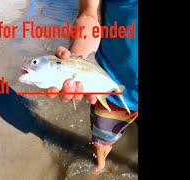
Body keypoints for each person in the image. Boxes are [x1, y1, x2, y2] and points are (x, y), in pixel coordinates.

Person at [45, 0, 138, 172]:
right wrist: (77, 62)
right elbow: (90, 14)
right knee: (102, 140)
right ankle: (100, 166)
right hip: (110, 85)